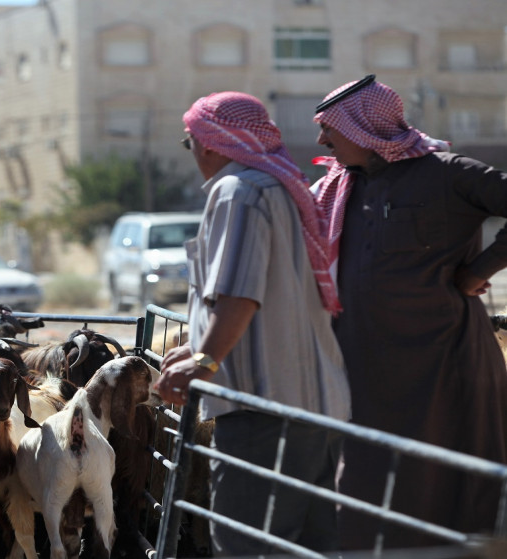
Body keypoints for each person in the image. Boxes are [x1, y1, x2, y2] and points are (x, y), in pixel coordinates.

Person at [312, 75, 507, 549]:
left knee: (448, 479)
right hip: (363, 366)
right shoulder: (338, 189)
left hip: (442, 364)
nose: (321, 141)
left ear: (362, 129)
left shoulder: (446, 171)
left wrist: (478, 270)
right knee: (362, 484)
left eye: (329, 130)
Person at [155, 91, 351, 555]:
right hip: (317, 406)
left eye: (192, 143)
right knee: (311, 543)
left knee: (249, 545)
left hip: (263, 410)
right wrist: (201, 346)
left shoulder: (237, 190)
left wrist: (203, 360)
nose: (195, 154)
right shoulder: (284, 186)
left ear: (210, 143)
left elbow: (240, 293)